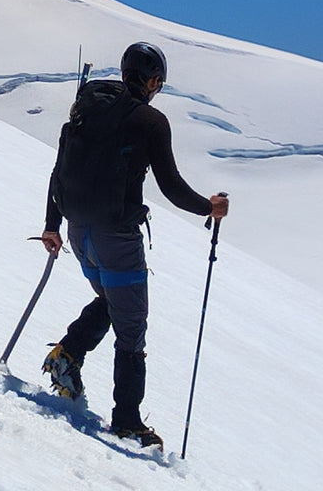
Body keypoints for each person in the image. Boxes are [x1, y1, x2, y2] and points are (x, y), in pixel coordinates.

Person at [40, 42, 229, 449]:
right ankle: (126, 420)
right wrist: (208, 208)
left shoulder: (85, 109)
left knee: (112, 301)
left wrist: (51, 225)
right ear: (152, 80)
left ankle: (67, 355)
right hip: (117, 237)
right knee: (131, 330)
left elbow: (60, 171)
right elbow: (171, 186)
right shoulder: (150, 121)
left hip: (79, 231)